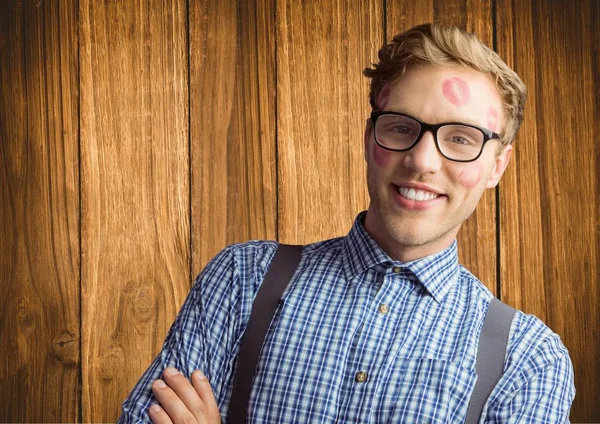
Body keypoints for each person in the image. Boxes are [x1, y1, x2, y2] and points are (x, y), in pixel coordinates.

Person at [118, 23, 575, 423]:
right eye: (400, 126)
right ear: (368, 135)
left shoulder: (528, 361)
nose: (421, 160)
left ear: (498, 166)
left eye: (460, 138)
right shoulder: (242, 279)